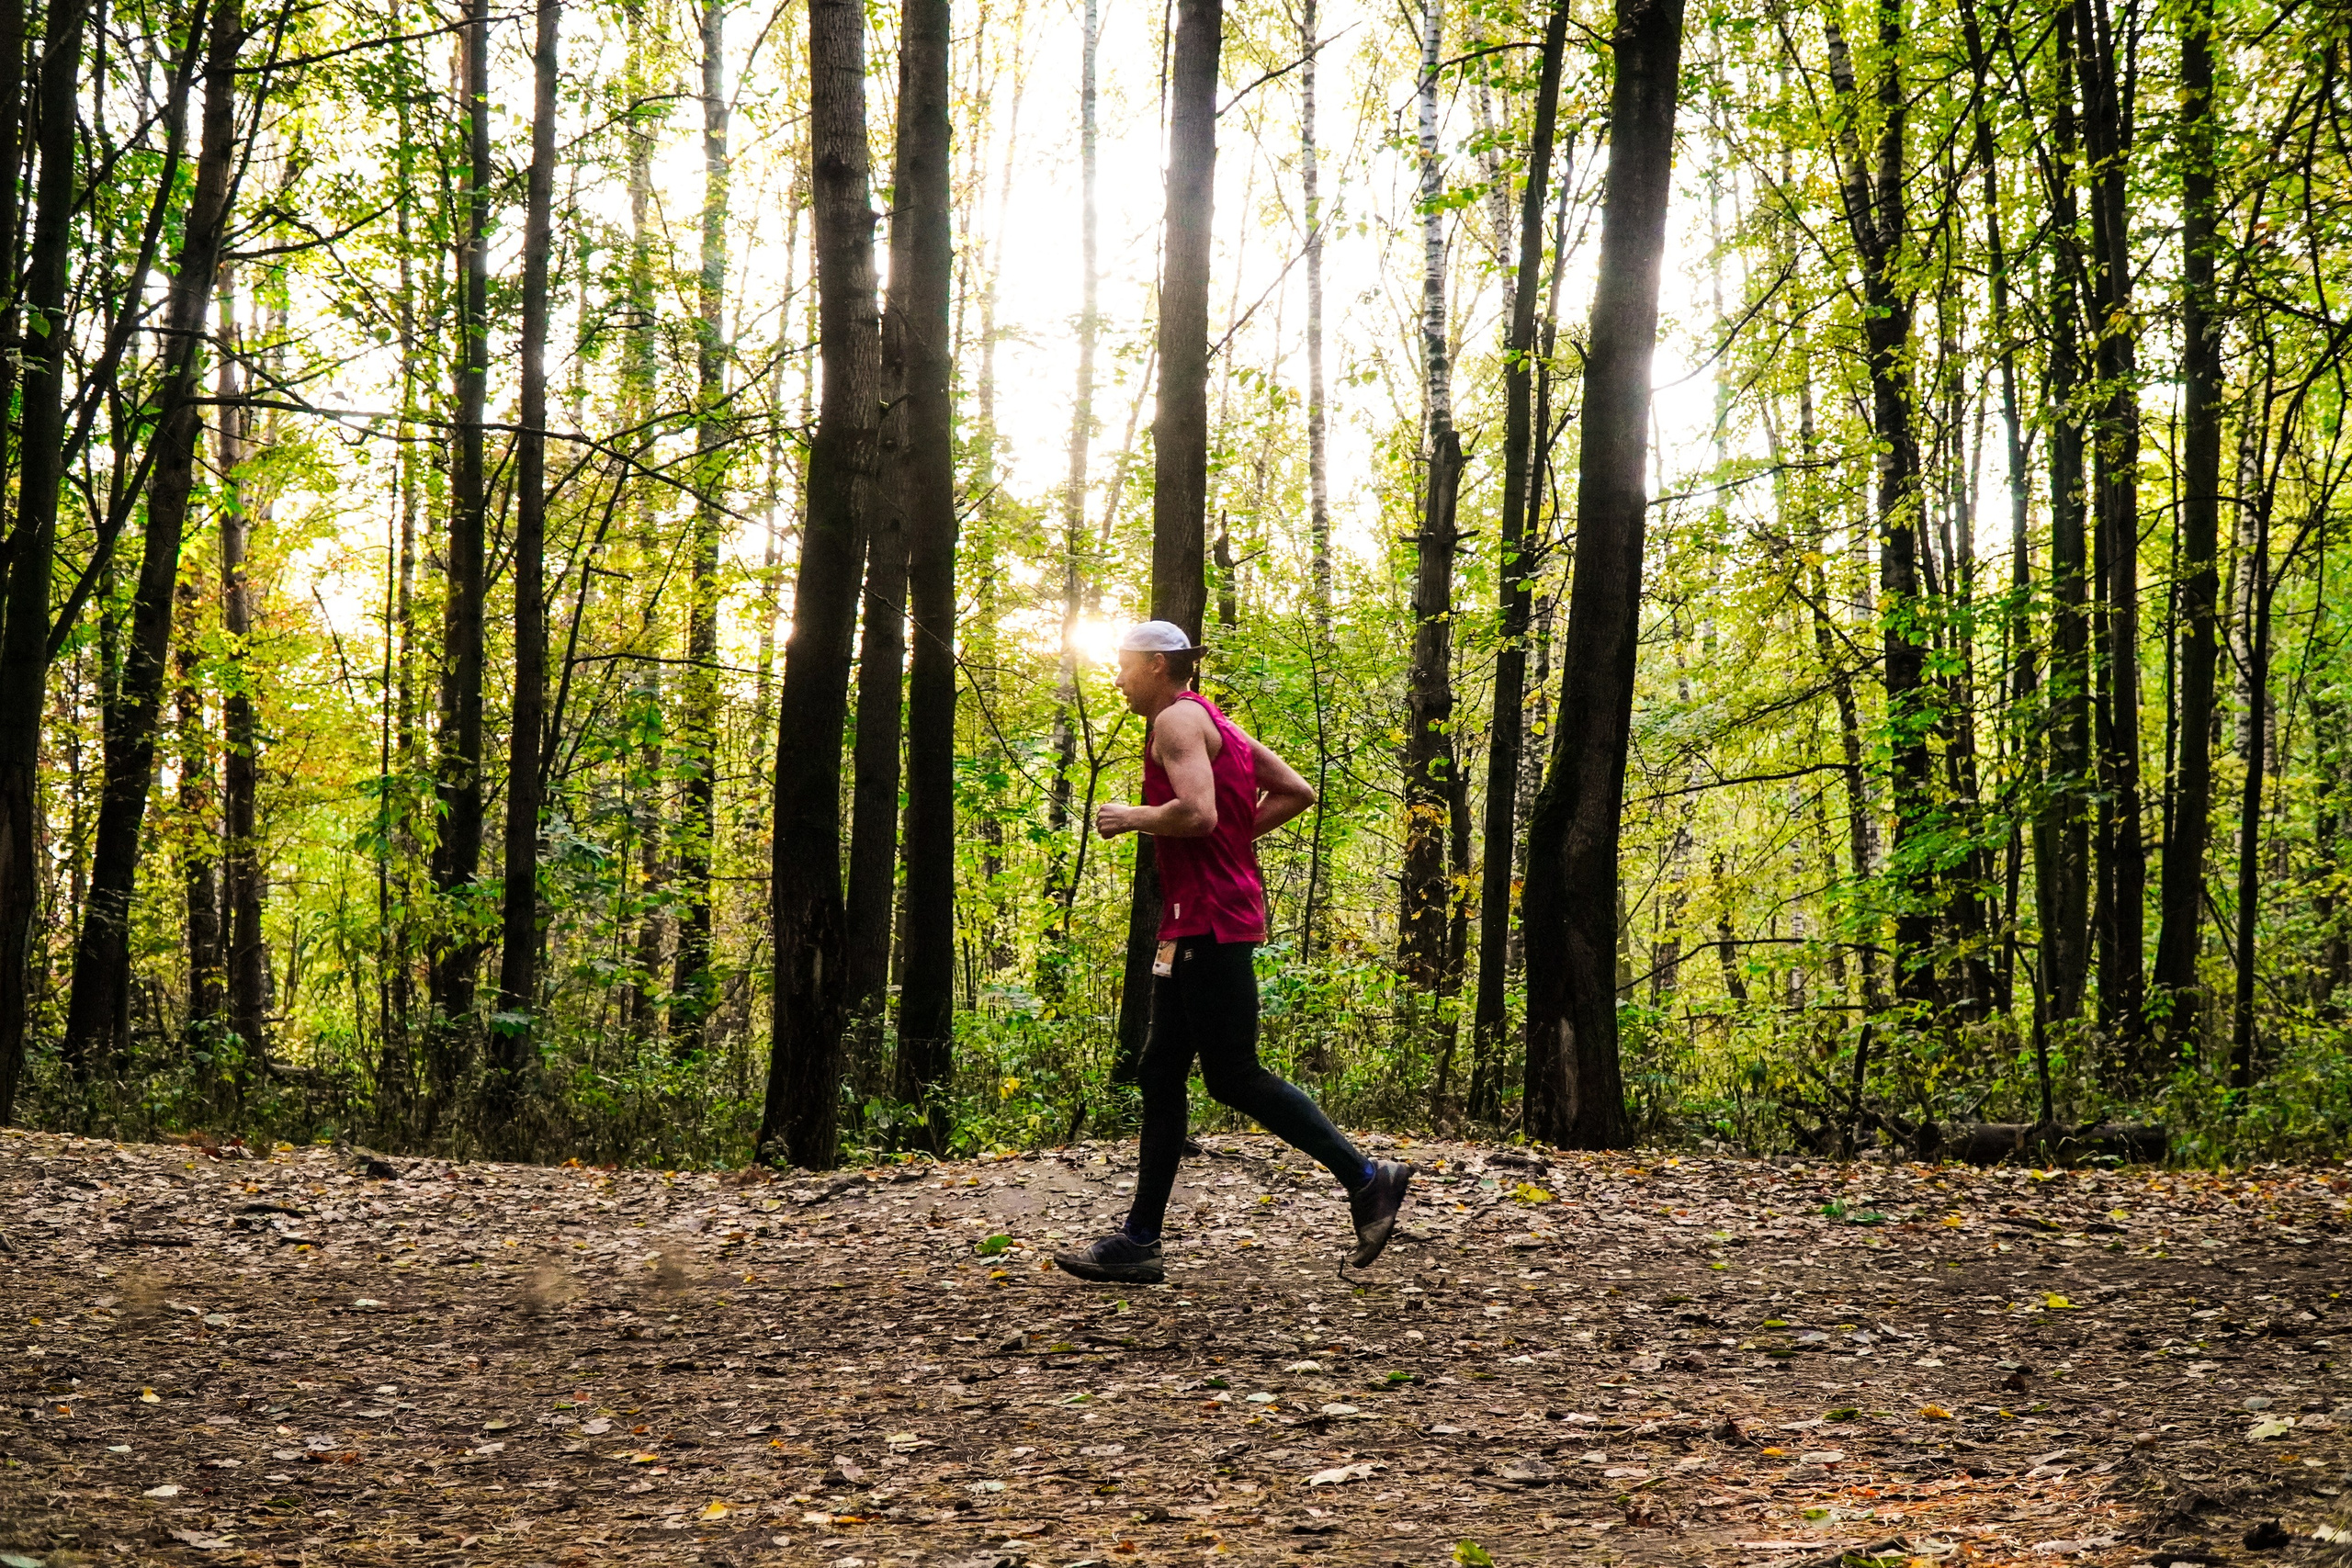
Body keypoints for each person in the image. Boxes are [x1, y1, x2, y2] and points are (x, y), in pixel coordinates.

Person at [1053, 620, 1412, 1286]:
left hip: (1211, 922)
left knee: (1234, 1074)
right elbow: (1295, 792)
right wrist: (1231, 843)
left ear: (1158, 665)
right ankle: (1140, 1240)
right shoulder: (1217, 723)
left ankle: (1367, 1177)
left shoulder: (1176, 723)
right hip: (1198, 922)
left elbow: (1199, 813)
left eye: (1126, 665)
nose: (1119, 676)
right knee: (1162, 1073)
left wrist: (1131, 815)